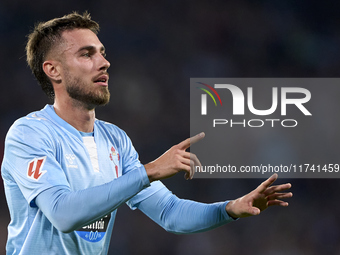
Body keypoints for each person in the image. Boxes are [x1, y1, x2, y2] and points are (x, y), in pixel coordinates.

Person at [1, 12, 292, 255]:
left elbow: (169, 212)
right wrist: (149, 171)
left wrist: (229, 209)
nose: (104, 62)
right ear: (54, 70)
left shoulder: (115, 140)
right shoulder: (30, 134)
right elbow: (63, 215)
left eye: (102, 53)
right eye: (86, 54)